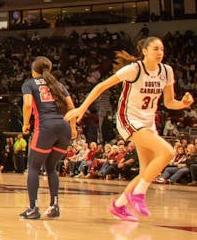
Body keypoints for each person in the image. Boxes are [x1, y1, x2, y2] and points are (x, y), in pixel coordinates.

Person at [66, 37, 194, 221]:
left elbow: (169, 102)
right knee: (168, 152)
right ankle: (138, 194)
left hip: (148, 122)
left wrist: (182, 103)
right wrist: (82, 108)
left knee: (146, 172)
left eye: (162, 49)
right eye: (156, 49)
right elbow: (101, 86)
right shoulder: (134, 69)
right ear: (144, 51)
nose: (160, 53)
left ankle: (118, 206)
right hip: (129, 119)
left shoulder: (166, 71)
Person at [18, 57, 75, 220]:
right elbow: (71, 107)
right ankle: (54, 205)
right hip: (64, 128)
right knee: (51, 168)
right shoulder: (59, 85)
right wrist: (73, 127)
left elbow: (28, 105)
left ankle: (33, 208)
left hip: (45, 127)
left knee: (34, 167)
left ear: (33, 70)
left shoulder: (29, 84)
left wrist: (25, 124)